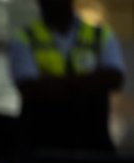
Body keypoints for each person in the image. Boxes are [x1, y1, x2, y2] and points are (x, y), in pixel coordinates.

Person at [8, 0, 126, 153]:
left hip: (92, 143)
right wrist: (89, 82)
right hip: (41, 145)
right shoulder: (24, 38)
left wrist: (52, 83)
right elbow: (29, 87)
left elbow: (114, 78)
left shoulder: (100, 35)